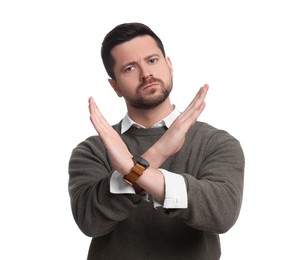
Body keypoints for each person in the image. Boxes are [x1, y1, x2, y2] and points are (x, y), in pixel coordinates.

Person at [68, 22, 245, 260]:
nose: (146, 73)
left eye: (152, 61)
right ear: (115, 86)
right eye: (130, 68)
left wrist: (130, 169)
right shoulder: (93, 149)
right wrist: (159, 152)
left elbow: (222, 214)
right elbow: (90, 222)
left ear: (169, 65)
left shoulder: (216, 142)